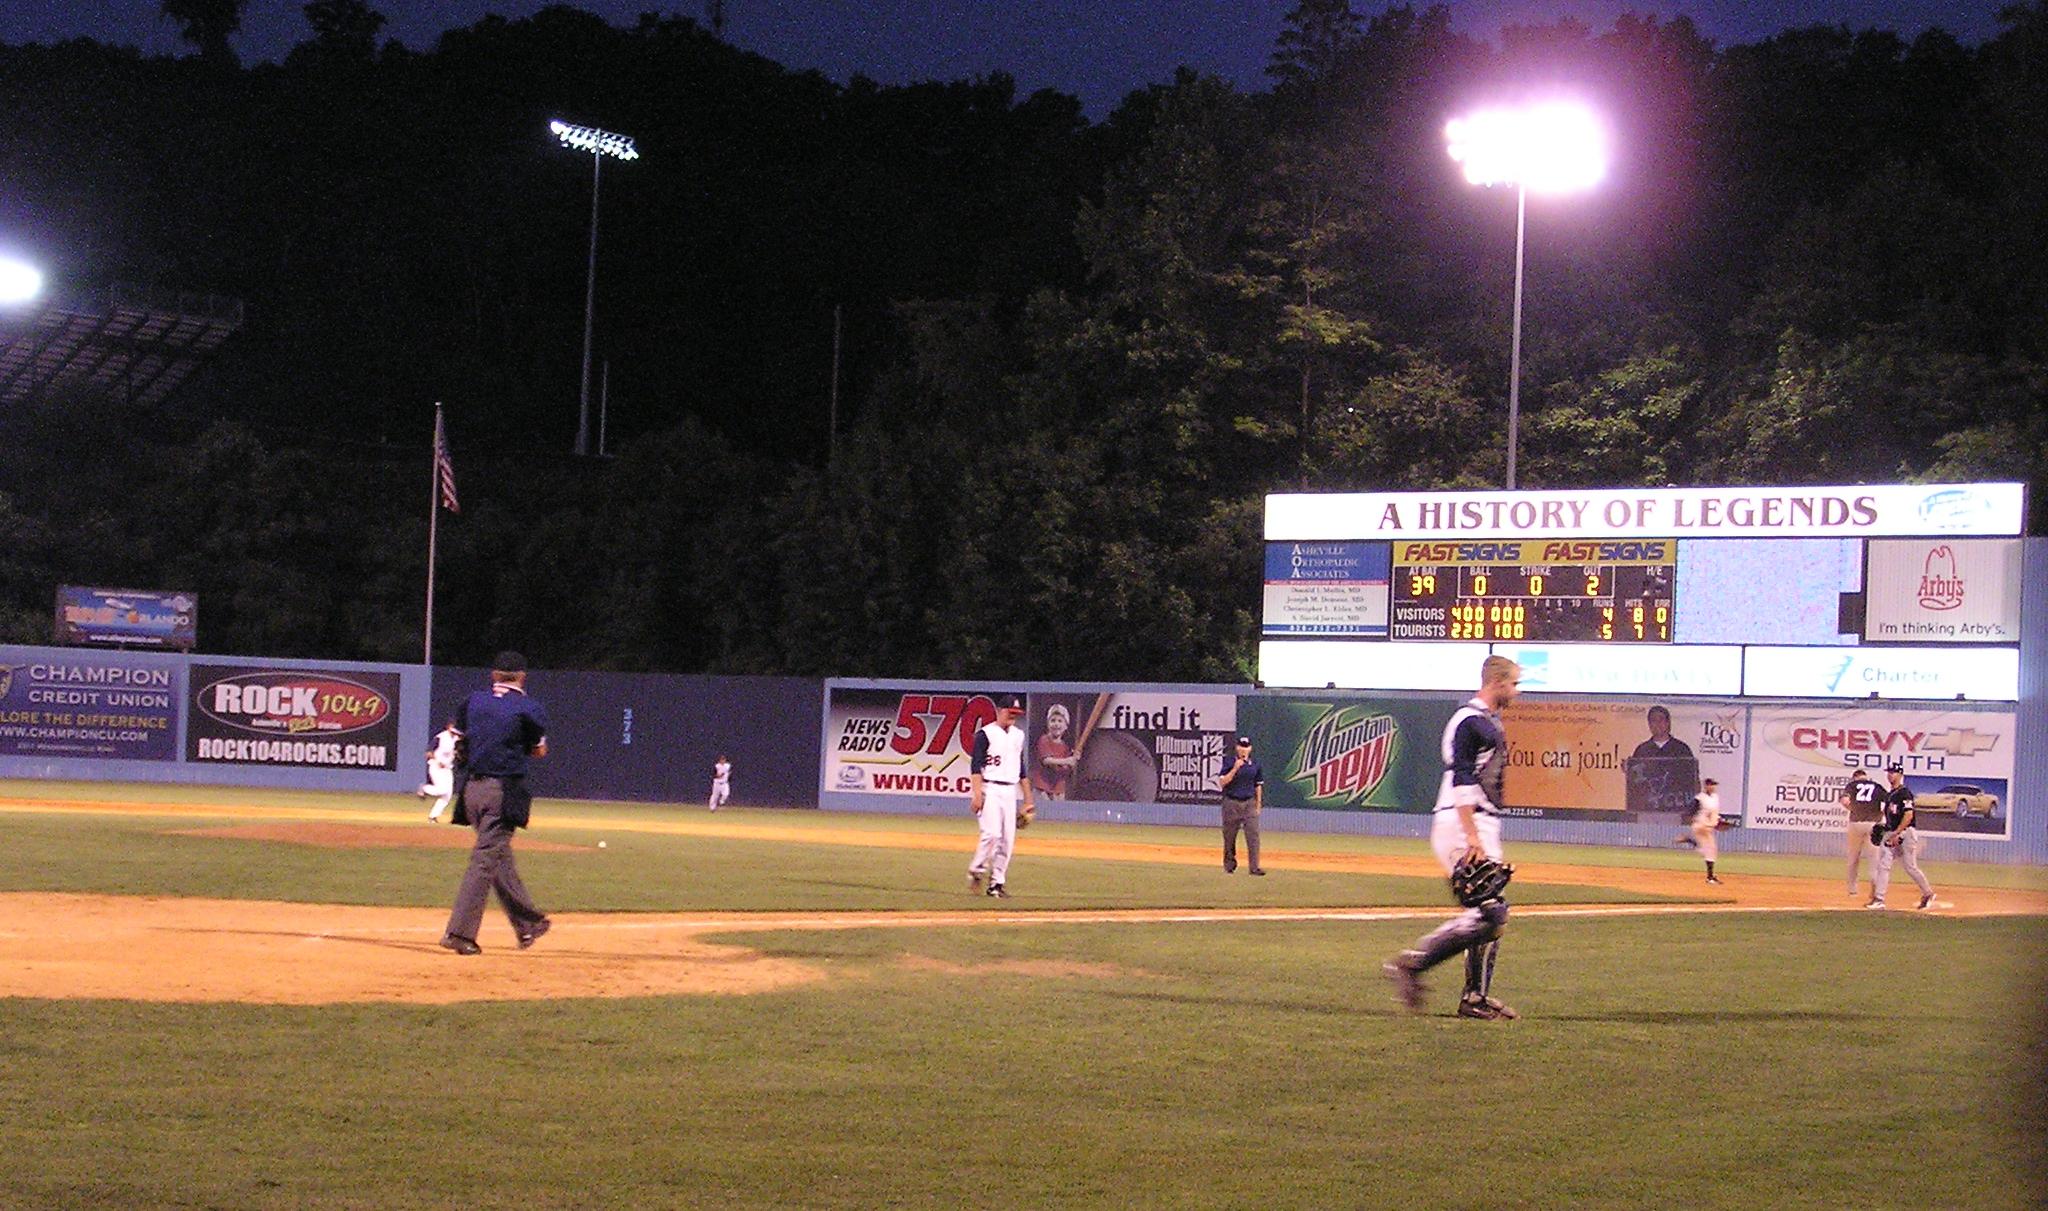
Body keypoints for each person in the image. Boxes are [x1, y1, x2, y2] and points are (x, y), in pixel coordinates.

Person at [1384, 655, 1521, 1020]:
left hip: (1478, 822)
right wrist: (1472, 835)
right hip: (1463, 823)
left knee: (1490, 912)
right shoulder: (1469, 720)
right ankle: (1413, 965)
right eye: (1514, 684)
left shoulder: (1488, 722)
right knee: (1491, 914)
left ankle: (1474, 996)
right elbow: (1462, 776)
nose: (1516, 691)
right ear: (1495, 682)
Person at [440, 652, 552, 955]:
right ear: (522, 676)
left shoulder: (473, 700)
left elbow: (456, 737)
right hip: (502, 791)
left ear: (493, 675)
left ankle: (528, 923)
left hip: (471, 792)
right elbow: (539, 751)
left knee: (497, 856)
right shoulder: (529, 708)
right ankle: (459, 933)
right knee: (485, 861)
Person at [967, 693, 1034, 898]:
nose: (1012, 716)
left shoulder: (1018, 735)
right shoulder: (985, 734)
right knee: (992, 834)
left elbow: (1021, 770)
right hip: (990, 788)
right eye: (1009, 712)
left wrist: (1028, 800)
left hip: (1009, 791)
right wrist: (977, 794)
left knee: (1007, 840)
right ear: (999, 711)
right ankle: (976, 871)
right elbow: (975, 766)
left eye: (1016, 713)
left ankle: (996, 884)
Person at [1868, 763, 1936, 911]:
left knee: (1910, 867)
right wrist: (1885, 828)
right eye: (1889, 772)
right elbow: (1890, 817)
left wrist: (1897, 833)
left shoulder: (1905, 793)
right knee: (1884, 865)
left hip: (1906, 833)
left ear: (1900, 775)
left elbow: (1908, 815)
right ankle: (1879, 899)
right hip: (1892, 832)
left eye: (1893, 772)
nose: (1890, 775)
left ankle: (1928, 893)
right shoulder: (1890, 794)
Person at [1624, 705, 1700, 815]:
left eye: (1661, 719)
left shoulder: (1682, 749)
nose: (1657, 724)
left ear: (1668, 723)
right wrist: (1629, 770)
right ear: (1649, 724)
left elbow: (1693, 780)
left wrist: (1691, 808)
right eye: (1653, 720)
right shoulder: (1642, 750)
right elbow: (1636, 783)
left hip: (1675, 810)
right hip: (1647, 810)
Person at [1214, 735, 1265, 875]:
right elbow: (1223, 782)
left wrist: (1258, 804)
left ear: (1250, 748)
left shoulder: (1255, 765)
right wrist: (1235, 768)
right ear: (1237, 748)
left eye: (1246, 747)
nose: (1244, 749)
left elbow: (1258, 785)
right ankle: (1229, 865)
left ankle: (1254, 867)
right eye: (1241, 746)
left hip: (1249, 803)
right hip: (1231, 802)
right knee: (1229, 836)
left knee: (1253, 835)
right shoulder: (1229, 762)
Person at [1840, 767, 1884, 897]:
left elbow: (1845, 801)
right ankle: (1875, 890)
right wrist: (1879, 814)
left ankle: (1852, 890)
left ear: (1855, 777)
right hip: (1873, 824)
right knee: (1874, 859)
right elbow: (1887, 803)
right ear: (1865, 776)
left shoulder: (1852, 785)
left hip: (1856, 824)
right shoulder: (1876, 786)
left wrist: (1853, 809)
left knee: (1853, 857)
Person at [418, 718, 459, 822]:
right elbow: (428, 752)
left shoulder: (457, 738)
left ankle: (433, 817)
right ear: (449, 727)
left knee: (447, 795)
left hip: (447, 768)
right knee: (442, 790)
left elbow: (458, 752)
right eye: (453, 726)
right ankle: (424, 788)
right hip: (436, 767)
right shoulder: (440, 737)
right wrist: (437, 761)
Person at [1031, 703, 1074, 800]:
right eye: (1053, 720)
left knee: (1058, 814)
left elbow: (1066, 769)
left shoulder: (1065, 746)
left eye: (1060, 721)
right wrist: (1067, 760)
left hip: (1058, 788)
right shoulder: (1044, 740)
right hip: (1042, 787)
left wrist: (1073, 760)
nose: (1056, 724)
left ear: (1066, 726)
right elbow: (1047, 761)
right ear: (1048, 724)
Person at [1687, 777, 1724, 884]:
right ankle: (1710, 877)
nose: (1714, 787)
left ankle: (1691, 842)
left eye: (1714, 785)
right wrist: (1695, 818)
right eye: (1712, 785)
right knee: (1710, 849)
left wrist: (1718, 821)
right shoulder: (1700, 798)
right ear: (1706, 786)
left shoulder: (1715, 797)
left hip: (1708, 827)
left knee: (1709, 850)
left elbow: (1715, 813)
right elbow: (1690, 811)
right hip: (1700, 826)